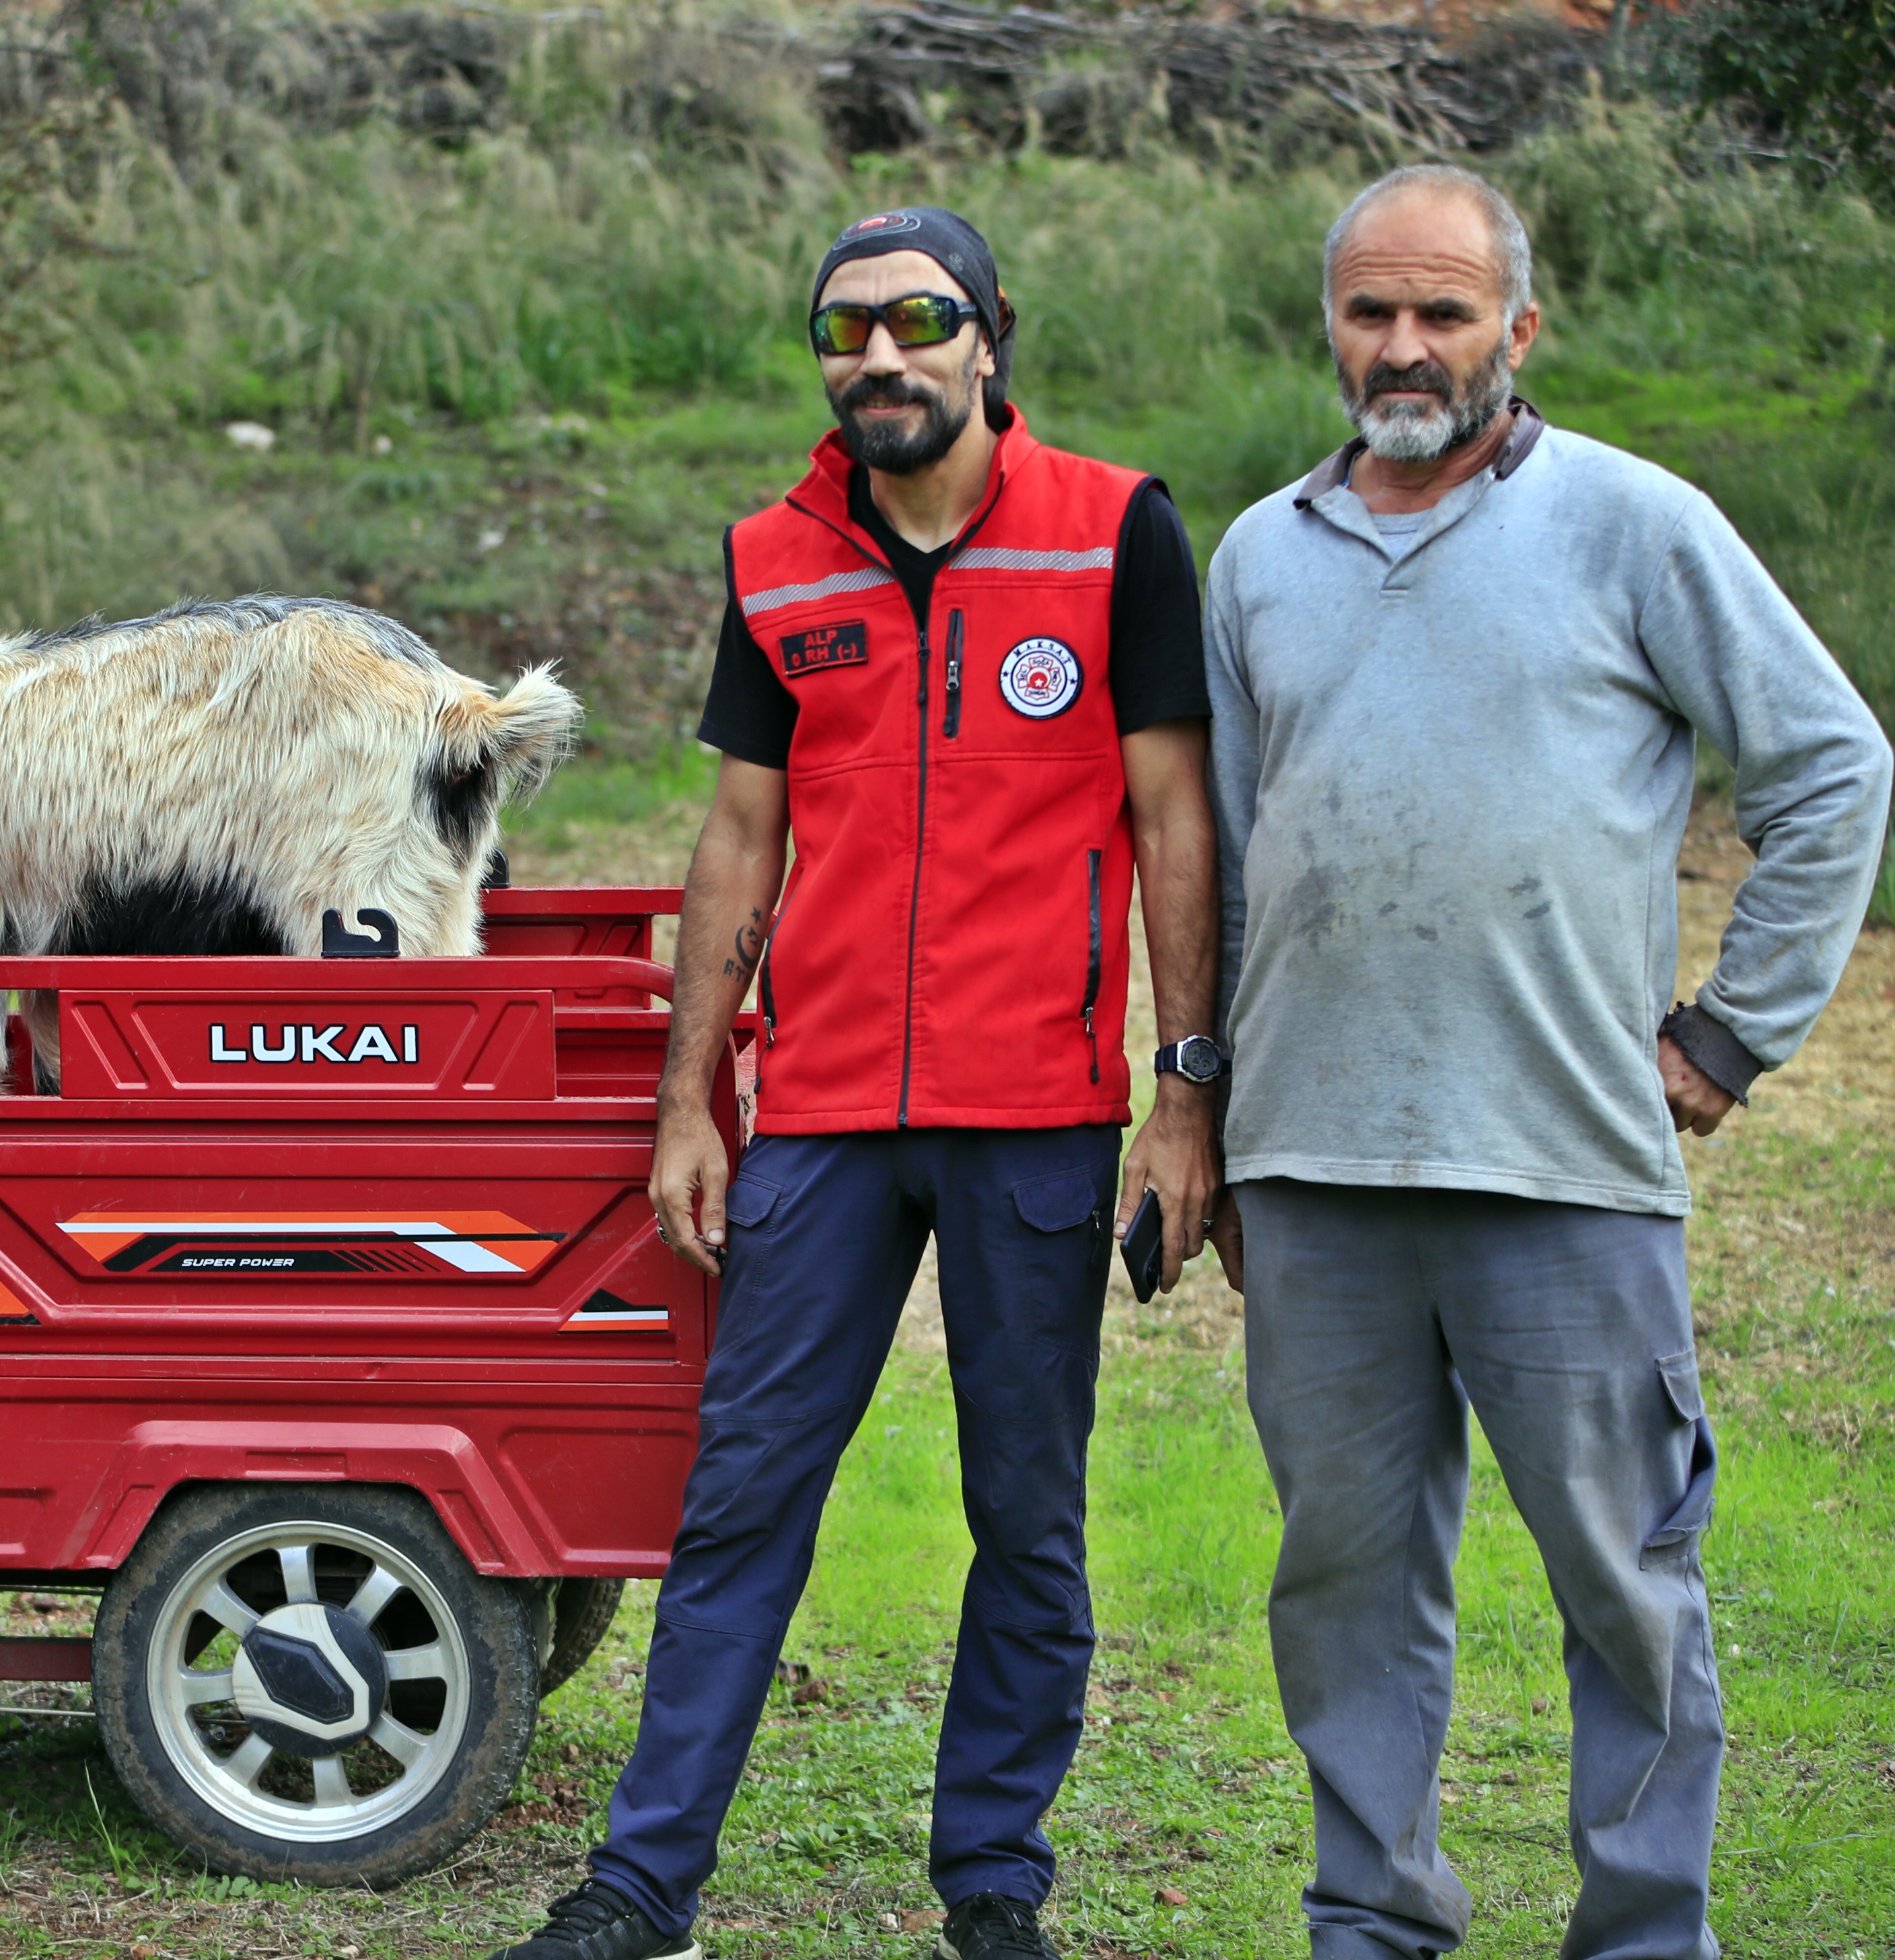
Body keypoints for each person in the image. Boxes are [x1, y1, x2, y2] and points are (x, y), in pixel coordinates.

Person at [487, 207, 1223, 1960]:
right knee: (743, 1495)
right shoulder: (775, 558)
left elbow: (1177, 818)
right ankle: (644, 1888)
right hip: (819, 1113)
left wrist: (1185, 1093)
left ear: (990, 334)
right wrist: (690, 1097)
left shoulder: (1116, 529)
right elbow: (740, 838)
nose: (880, 355)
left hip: (1036, 1110)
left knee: (1025, 1513)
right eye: (843, 329)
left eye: (917, 319)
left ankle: (995, 1882)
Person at [1204, 166, 1892, 1959]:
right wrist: (1208, 1107)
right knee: (1344, 1587)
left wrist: (1731, 1031)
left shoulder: (1635, 522)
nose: (1404, 345)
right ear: (1329, 324)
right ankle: (1372, 1919)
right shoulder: (1259, 554)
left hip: (1565, 1161)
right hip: (1317, 1170)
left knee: (1625, 1587)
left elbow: (1833, 765)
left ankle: (1648, 1934)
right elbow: (1223, 857)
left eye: (1444, 312)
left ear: (1520, 326)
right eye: (1372, 310)